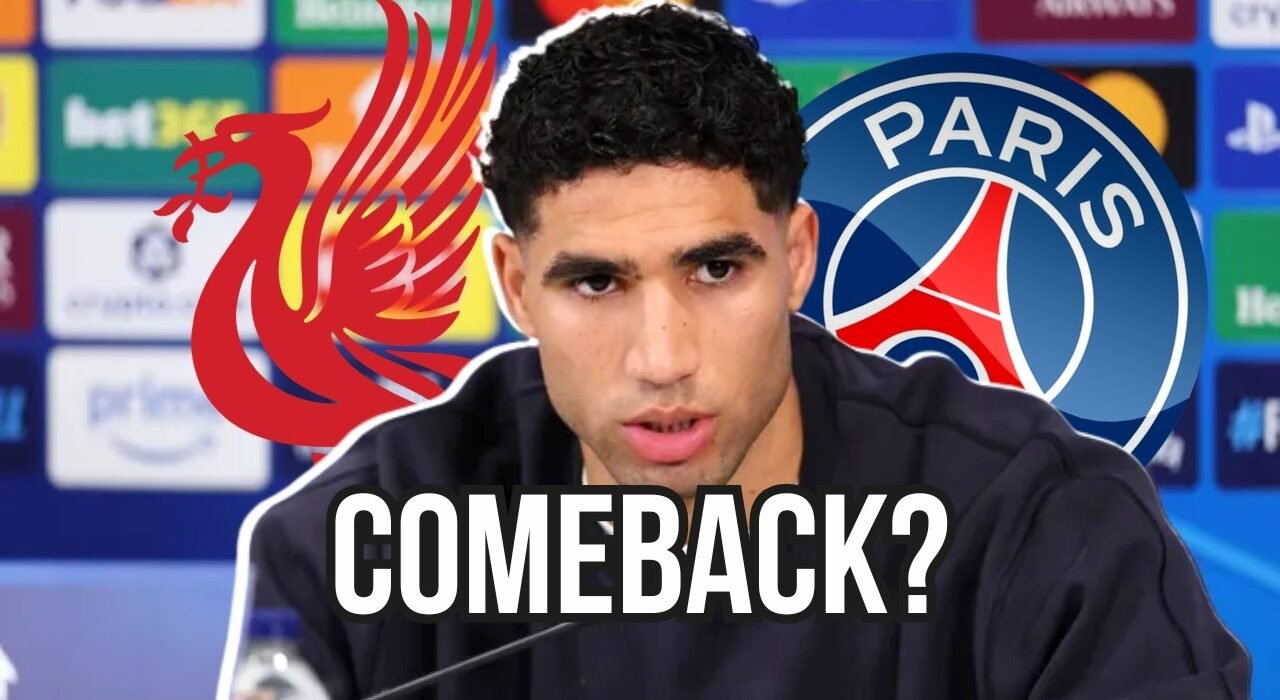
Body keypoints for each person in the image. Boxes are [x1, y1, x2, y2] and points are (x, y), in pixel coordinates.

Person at [238, 4, 1251, 698]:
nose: (662, 357)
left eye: (715, 270)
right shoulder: (355, 549)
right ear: (513, 286)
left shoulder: (1043, 530)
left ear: (796, 255)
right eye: (595, 283)